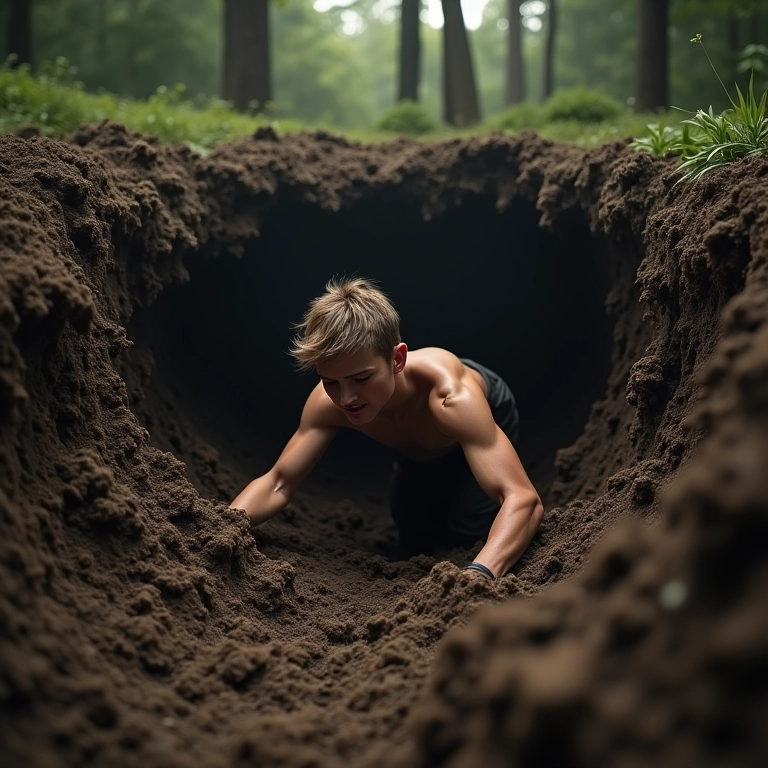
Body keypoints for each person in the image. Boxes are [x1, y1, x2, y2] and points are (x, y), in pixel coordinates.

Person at [230, 277, 544, 579]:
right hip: (417, 453)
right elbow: (278, 482)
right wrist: (225, 527)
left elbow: (522, 498)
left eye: (361, 379)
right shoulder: (328, 404)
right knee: (414, 536)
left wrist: (479, 575)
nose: (347, 398)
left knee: (467, 532)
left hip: (482, 424)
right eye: (331, 382)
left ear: (397, 359)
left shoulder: (451, 399)